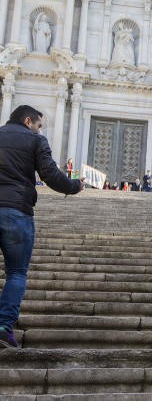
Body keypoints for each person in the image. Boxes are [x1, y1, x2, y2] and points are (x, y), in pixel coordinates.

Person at [0, 105, 84, 348]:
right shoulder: (36, 140)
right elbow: (49, 174)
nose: (39, 130)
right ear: (28, 121)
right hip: (17, 211)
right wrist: (74, 186)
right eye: (38, 125)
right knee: (16, 273)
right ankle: (4, 327)